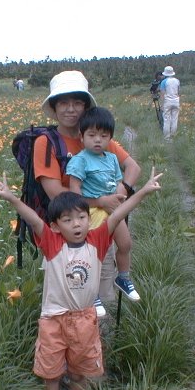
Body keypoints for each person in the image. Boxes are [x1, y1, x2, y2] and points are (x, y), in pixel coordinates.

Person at [0, 167, 163, 390]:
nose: (77, 224)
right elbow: (34, 221)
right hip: (53, 319)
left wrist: (143, 190)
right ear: (55, 226)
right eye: (68, 220)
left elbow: (117, 213)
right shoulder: (51, 242)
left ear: (89, 220)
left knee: (81, 371)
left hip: (85, 317)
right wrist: (13, 199)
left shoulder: (97, 239)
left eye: (82, 217)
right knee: (51, 371)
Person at [33, 70, 141, 316]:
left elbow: (133, 168)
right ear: (54, 106)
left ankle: (98, 348)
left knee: (103, 289)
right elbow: (56, 195)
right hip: (65, 237)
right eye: (63, 102)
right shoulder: (46, 142)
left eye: (77, 102)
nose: (71, 109)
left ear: (85, 106)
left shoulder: (98, 138)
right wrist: (103, 201)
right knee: (68, 301)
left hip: (103, 227)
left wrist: (119, 193)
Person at [66, 106, 140, 302]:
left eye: (104, 135)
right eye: (92, 135)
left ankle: (123, 278)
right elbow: (75, 193)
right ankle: (94, 293)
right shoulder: (79, 161)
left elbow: (117, 181)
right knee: (95, 255)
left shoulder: (113, 159)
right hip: (92, 213)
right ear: (81, 137)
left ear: (111, 138)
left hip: (112, 211)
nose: (98, 140)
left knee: (125, 244)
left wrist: (119, 196)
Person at [159, 66, 180, 141]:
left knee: (167, 120)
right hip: (176, 101)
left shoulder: (164, 82)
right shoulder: (177, 81)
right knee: (175, 119)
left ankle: (167, 138)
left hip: (167, 102)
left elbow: (162, 94)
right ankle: (173, 136)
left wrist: (162, 104)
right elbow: (178, 92)